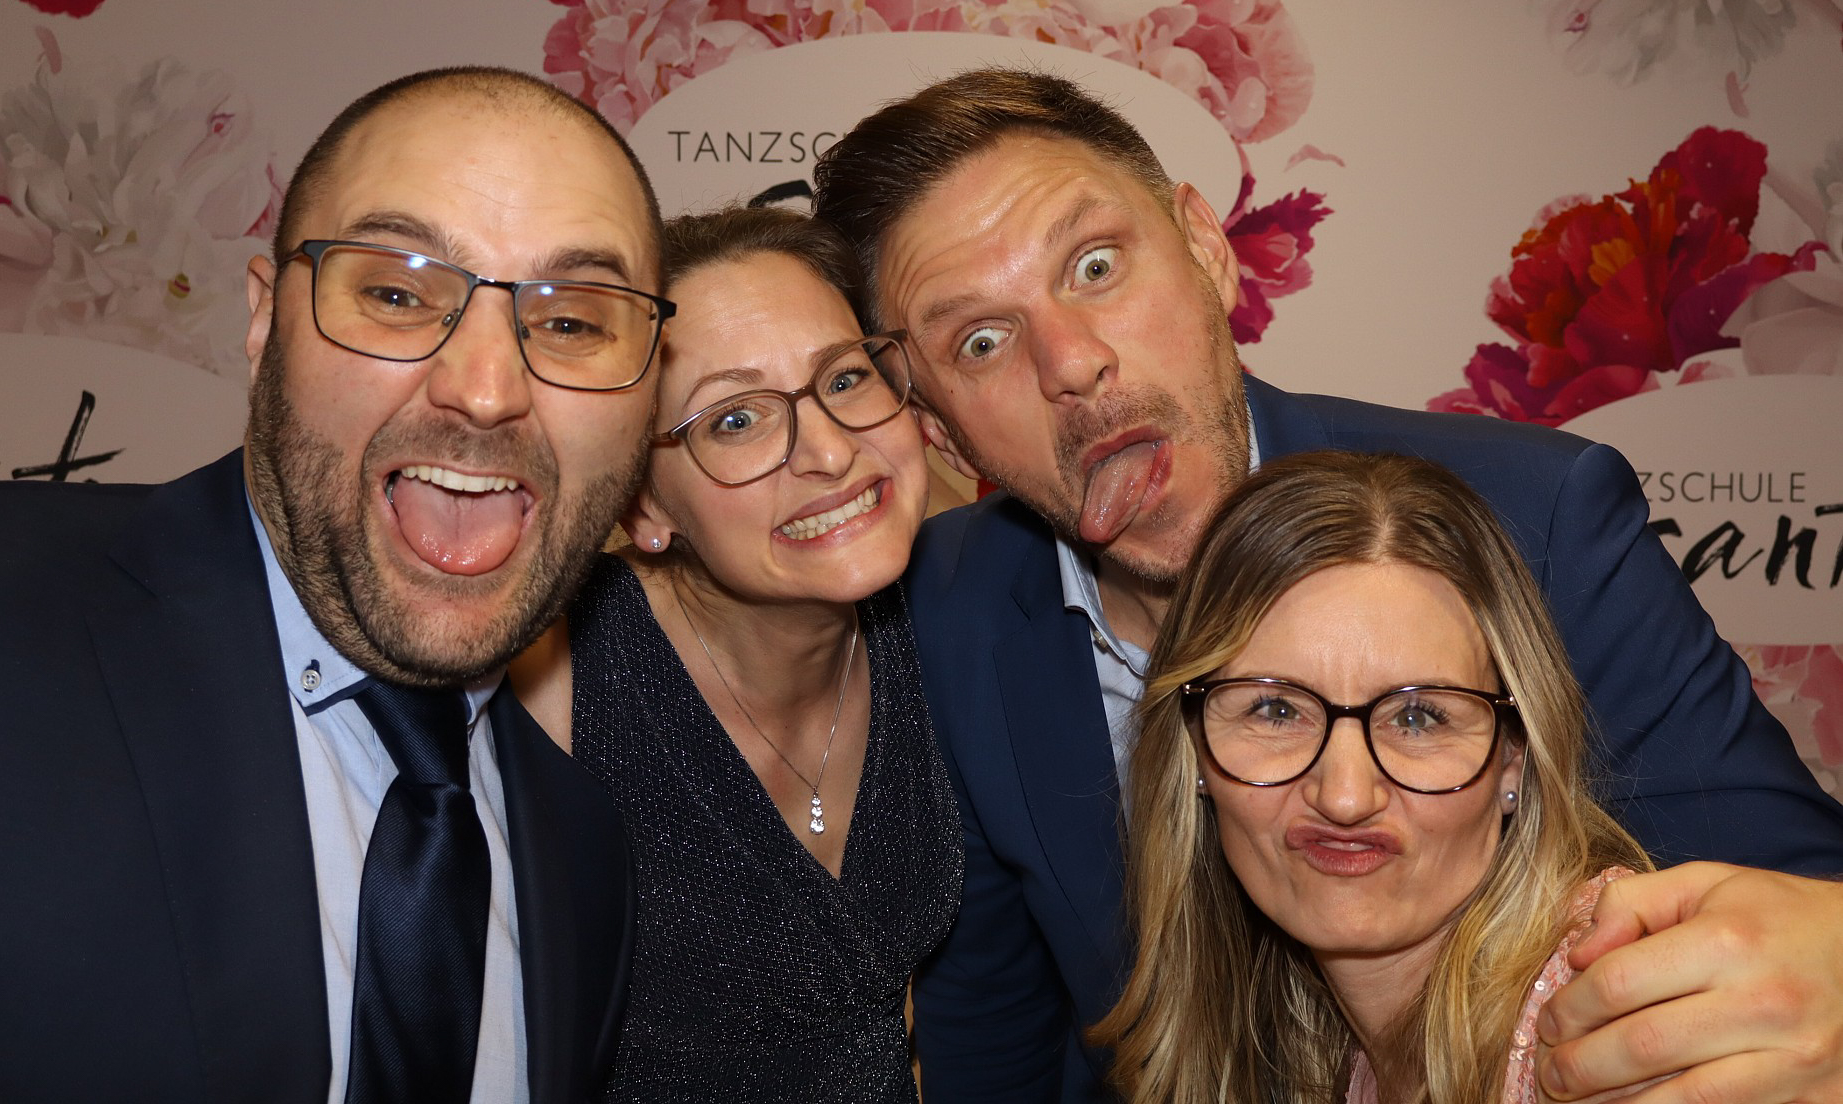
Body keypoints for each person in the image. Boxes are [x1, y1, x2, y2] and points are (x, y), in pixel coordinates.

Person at [810, 68, 1843, 1104]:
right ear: (942, 432)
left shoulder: (1538, 520)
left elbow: (1793, 914)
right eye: (980, 341)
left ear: (1207, 249)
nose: (1071, 363)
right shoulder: (946, 610)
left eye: (1094, 265)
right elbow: (997, 1038)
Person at [0, 66, 669, 1103]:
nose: (486, 389)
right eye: (397, 294)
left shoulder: (585, 854)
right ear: (265, 320)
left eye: (574, 322)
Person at [511, 204, 962, 1101]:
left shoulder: (952, 603)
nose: (829, 451)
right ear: (642, 504)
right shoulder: (554, 672)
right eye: (735, 420)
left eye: (844, 378)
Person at [1093, 450, 1657, 1103]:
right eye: (1277, 711)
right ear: (1193, 751)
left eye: (1417, 718)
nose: (1344, 796)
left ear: (1514, 758)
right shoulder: (1333, 1042)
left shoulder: (1604, 1012)